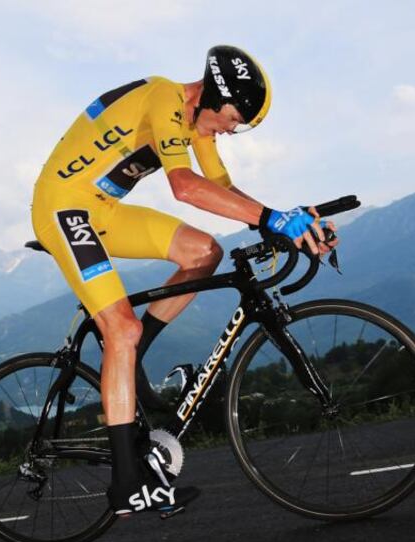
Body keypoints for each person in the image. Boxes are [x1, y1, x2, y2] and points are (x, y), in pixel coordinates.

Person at [31, 45, 337, 517]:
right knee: (121, 329)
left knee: (205, 252)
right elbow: (185, 186)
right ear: (215, 96)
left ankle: (132, 362)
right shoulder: (163, 98)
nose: (233, 129)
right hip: (63, 208)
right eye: (235, 118)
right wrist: (272, 219)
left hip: (105, 211)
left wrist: (288, 223)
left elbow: (224, 191)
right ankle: (127, 485)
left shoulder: (197, 123)